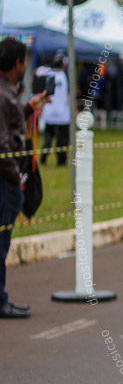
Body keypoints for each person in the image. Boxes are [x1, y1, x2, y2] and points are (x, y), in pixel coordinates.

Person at [0, 38, 50, 317]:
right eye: (23, 62)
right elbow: (2, 144)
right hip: (5, 182)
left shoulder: (7, 92)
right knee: (0, 244)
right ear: (18, 63)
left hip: (8, 180)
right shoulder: (3, 93)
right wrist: (15, 176)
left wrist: (30, 107)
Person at [37, 53, 70, 166]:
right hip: (62, 114)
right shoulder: (65, 77)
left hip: (49, 112)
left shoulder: (48, 75)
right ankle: (61, 160)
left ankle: (43, 157)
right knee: (62, 140)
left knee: (48, 137)